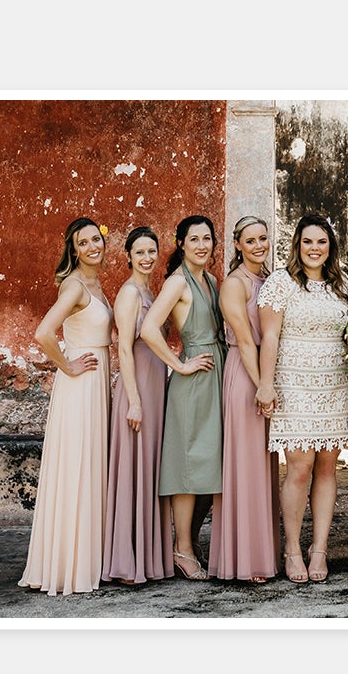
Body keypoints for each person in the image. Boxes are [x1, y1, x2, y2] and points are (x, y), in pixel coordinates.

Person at [19, 217, 113, 595]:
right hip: (80, 384)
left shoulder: (95, 283)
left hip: (96, 381)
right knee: (77, 467)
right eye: (84, 242)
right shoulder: (74, 285)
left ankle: (87, 557)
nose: (93, 247)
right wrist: (68, 365)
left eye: (97, 240)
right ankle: (68, 567)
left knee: (90, 466)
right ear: (73, 249)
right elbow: (43, 332)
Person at [256, 215, 348, 584]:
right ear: (297, 244)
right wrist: (266, 384)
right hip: (294, 384)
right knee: (299, 468)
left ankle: (319, 550)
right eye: (308, 241)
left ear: (331, 247)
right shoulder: (280, 283)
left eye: (322, 242)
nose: (315, 249)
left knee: (328, 468)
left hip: (333, 386)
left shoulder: (342, 283)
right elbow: (270, 338)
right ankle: (292, 549)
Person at [140, 215, 224, 581]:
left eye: (207, 239)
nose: (202, 245)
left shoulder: (212, 280)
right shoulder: (178, 283)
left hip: (216, 373)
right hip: (194, 381)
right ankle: (183, 548)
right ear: (181, 243)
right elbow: (147, 329)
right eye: (194, 240)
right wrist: (180, 365)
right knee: (189, 464)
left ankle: (189, 541)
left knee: (211, 462)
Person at [102, 226, 174, 585]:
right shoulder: (130, 293)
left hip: (155, 387)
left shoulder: (150, 290)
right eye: (139, 252)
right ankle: (128, 561)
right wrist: (133, 401)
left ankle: (149, 557)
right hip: (138, 391)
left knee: (151, 469)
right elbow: (124, 349)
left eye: (151, 252)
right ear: (128, 256)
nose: (146, 258)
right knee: (135, 471)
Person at [211, 215, 280, 583]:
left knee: (262, 465)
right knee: (244, 464)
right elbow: (242, 334)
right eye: (250, 240)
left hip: (264, 375)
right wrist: (261, 386)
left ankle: (263, 553)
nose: (258, 246)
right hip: (245, 374)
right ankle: (243, 559)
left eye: (263, 238)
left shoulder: (270, 280)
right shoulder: (235, 284)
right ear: (237, 244)